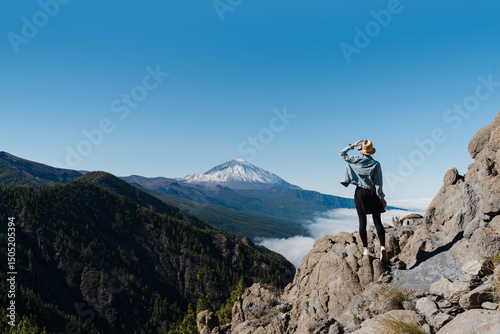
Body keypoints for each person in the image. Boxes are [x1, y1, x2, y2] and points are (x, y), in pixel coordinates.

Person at [339, 139, 388, 264]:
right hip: (372, 193)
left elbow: (341, 154)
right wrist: (382, 198)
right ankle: (382, 247)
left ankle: (365, 250)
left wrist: (352, 146)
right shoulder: (376, 164)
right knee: (377, 220)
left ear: (362, 150)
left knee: (362, 221)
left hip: (360, 193)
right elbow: (378, 183)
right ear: (371, 151)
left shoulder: (355, 160)